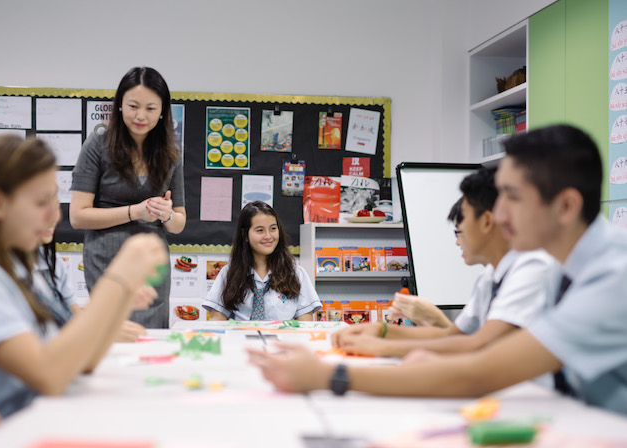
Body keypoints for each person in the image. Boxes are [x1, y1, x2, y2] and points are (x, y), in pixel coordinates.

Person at [248, 124, 627, 416]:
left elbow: (480, 369)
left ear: (565, 207)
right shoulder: (564, 267)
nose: (501, 214)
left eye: (512, 196)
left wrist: (327, 377)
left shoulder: (612, 277)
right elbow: (472, 350)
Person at [0, 135, 168, 417]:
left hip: (39, 418)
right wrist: (117, 280)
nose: (55, 216)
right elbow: (49, 375)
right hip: (1, 437)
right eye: (41, 202)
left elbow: (83, 359)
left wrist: (124, 294)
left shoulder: (16, 262)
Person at [331, 167, 555, 358]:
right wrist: (379, 330)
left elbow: (476, 347)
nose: (457, 240)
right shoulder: (490, 276)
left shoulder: (532, 269)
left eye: (460, 228)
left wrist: (382, 346)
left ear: (486, 221)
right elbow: (454, 336)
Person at [70, 66, 185, 329]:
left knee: (151, 340)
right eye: (133, 106)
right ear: (120, 104)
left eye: (151, 108)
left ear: (163, 111)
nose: (141, 115)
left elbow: (179, 223)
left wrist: (166, 213)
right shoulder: (98, 145)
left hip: (151, 263)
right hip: (105, 260)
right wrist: (135, 211)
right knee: (111, 336)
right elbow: (78, 216)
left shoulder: (171, 153)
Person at [36, 208, 153, 341]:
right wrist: (101, 332)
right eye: (40, 204)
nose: (54, 217)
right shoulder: (10, 276)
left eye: (55, 204)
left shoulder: (52, 262)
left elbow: (75, 316)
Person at [203, 201, 321, 321]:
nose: (268, 236)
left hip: (282, 339)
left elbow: (305, 324)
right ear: (245, 235)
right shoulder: (229, 273)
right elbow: (217, 320)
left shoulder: (295, 273)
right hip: (241, 338)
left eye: (273, 228)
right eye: (260, 230)